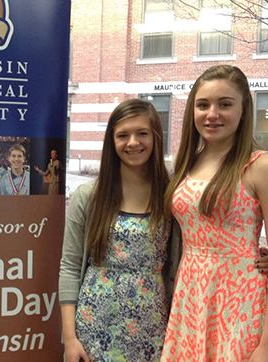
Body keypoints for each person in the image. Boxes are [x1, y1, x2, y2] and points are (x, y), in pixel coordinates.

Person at [161, 65, 268, 361]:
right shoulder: (187, 164)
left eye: (225, 104)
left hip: (241, 300)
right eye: (203, 105)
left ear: (244, 110)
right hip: (191, 299)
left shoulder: (262, 165)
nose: (212, 114)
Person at [59, 98, 172, 361]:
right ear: (112, 141)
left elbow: (201, 248)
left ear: (155, 137)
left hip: (153, 332)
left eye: (142, 133)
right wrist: (70, 338)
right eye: (123, 135)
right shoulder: (88, 196)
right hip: (93, 330)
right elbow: (69, 267)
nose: (133, 142)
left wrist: (260, 258)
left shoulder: (171, 196)